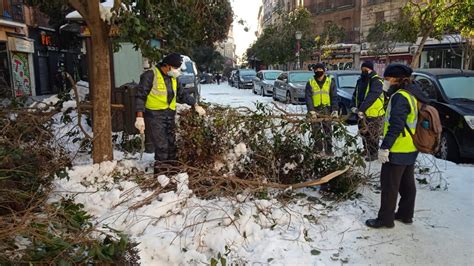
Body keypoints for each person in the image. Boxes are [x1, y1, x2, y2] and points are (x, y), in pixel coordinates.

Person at [366, 63, 429, 229]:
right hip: (410, 147)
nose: (385, 82)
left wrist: (385, 147)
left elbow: (396, 125)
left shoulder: (400, 96)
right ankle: (405, 214)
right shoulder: (413, 93)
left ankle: (385, 220)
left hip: (398, 148)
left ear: (396, 79)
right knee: (407, 185)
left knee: (389, 186)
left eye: (387, 79)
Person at [134, 53, 206, 175]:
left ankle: (172, 172)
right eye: (175, 68)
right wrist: (139, 116)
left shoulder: (173, 78)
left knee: (171, 144)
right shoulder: (150, 75)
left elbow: (181, 94)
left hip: (169, 114)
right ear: (166, 66)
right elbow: (140, 96)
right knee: (162, 146)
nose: (177, 71)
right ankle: (161, 174)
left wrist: (195, 104)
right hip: (154, 116)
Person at [351, 61, 385, 161]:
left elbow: (372, 96)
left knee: (372, 134)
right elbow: (355, 94)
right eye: (363, 69)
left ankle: (373, 153)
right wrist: (353, 106)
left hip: (373, 113)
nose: (364, 70)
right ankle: (366, 149)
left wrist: (362, 109)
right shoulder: (361, 80)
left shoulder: (376, 81)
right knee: (364, 133)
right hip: (361, 113)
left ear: (371, 69)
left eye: (366, 69)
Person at [305, 63, 339, 155]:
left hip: (326, 110)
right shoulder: (310, 82)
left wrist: (335, 110)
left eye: (320, 69)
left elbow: (334, 97)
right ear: (314, 71)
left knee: (328, 130)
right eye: (316, 70)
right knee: (316, 130)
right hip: (315, 109)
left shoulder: (330, 82)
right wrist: (311, 110)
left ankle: (329, 149)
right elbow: (308, 97)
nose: (318, 71)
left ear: (324, 70)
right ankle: (318, 147)